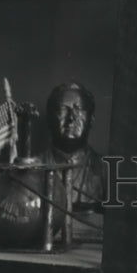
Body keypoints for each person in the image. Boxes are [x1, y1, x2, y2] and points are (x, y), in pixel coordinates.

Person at [43, 81, 106, 222]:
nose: (71, 118)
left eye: (79, 110)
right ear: (49, 118)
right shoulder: (33, 169)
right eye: (62, 110)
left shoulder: (106, 170)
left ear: (91, 119)